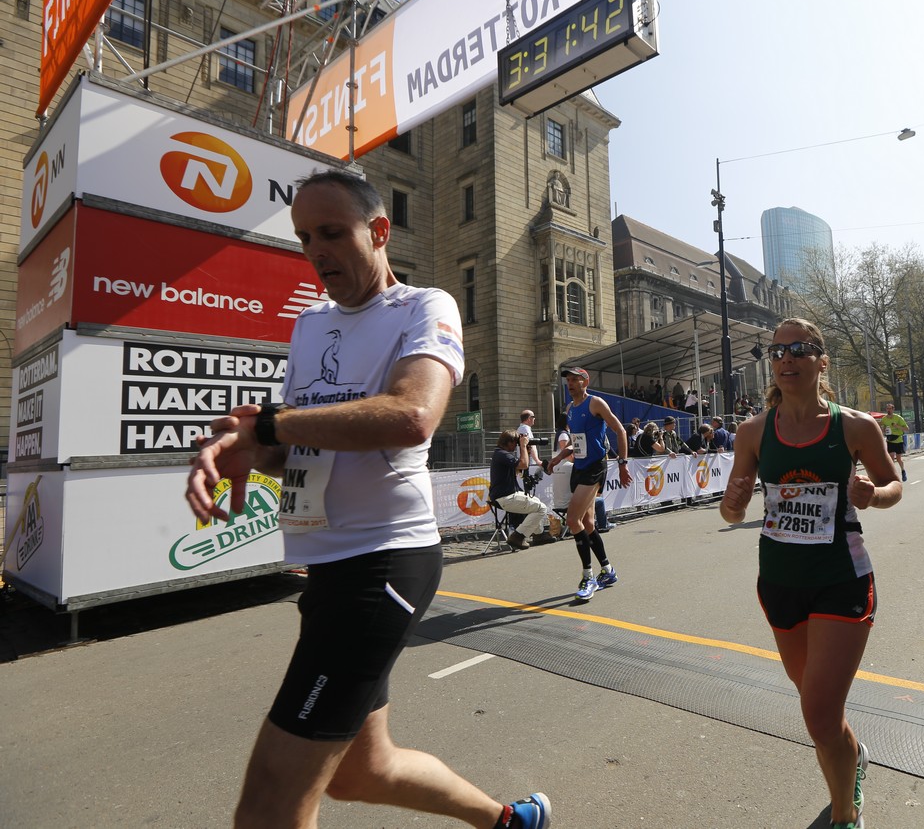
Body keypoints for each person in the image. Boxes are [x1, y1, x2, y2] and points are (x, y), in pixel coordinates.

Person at [183, 170, 550, 829]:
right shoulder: (309, 325)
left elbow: (412, 415)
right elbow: (300, 441)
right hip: (328, 566)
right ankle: (509, 821)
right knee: (362, 771)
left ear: (379, 231)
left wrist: (271, 425)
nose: (316, 251)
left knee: (269, 803)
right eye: (304, 237)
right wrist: (255, 451)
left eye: (331, 232)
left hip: (381, 562)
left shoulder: (424, 306)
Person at [720, 318, 902, 829]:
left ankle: (845, 814)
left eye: (799, 349)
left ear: (822, 361)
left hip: (841, 579)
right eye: (777, 351)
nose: (786, 359)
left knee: (819, 716)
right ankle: (853, 754)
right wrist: (732, 504)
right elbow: (731, 512)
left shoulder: (856, 427)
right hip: (779, 584)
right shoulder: (753, 431)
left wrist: (874, 495)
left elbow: (893, 485)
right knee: (820, 711)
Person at [544, 367, 632, 601]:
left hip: (595, 467)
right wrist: (558, 458)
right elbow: (576, 442)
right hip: (579, 468)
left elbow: (620, 430)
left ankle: (588, 577)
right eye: (568, 380)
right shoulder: (570, 409)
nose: (570, 384)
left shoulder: (595, 403)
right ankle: (608, 570)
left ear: (585, 381)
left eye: (575, 380)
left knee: (573, 520)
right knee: (588, 523)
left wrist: (623, 464)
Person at [490, 430, 558, 549]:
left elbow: (519, 470)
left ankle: (539, 535)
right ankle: (517, 536)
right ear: (509, 442)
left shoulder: (500, 453)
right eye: (516, 442)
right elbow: (524, 464)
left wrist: (525, 451)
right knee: (541, 508)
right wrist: (522, 446)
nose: (516, 445)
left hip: (506, 495)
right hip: (505, 497)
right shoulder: (502, 454)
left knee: (536, 502)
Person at [882, 403, 910, 482]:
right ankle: (893, 475)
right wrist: (883, 430)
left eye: (890, 408)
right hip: (890, 440)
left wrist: (897, 426)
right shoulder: (884, 419)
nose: (888, 410)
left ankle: (903, 471)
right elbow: (883, 428)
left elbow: (906, 428)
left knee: (898, 459)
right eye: (887, 408)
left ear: (893, 409)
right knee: (891, 458)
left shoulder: (898, 418)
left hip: (898, 440)